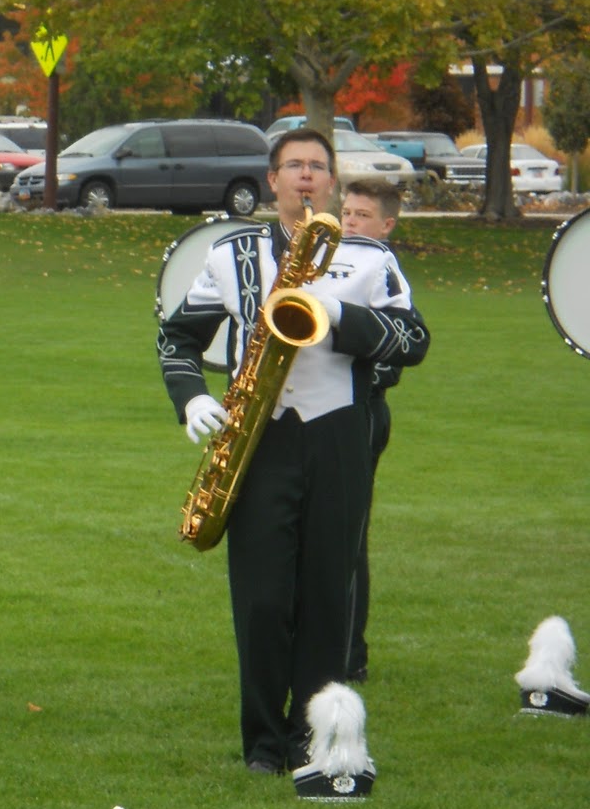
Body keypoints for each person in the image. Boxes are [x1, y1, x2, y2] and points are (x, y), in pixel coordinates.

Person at [158, 129, 429, 774]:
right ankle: (263, 742)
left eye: (317, 166)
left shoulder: (369, 258)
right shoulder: (231, 253)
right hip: (258, 436)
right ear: (273, 180)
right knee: (261, 597)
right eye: (293, 167)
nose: (305, 176)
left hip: (338, 433)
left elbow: (413, 340)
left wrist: (337, 311)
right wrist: (193, 397)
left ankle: (317, 732)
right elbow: (177, 338)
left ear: (331, 182)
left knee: (328, 592)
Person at [339, 178, 403, 683]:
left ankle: (350, 654)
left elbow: (396, 354)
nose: (350, 221)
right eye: (347, 212)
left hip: (361, 412)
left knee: (348, 535)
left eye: (362, 214)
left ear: (387, 225)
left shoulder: (383, 271)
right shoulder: (328, 260)